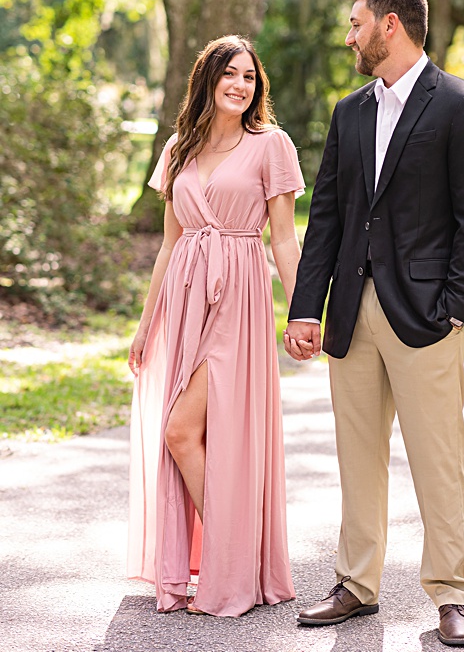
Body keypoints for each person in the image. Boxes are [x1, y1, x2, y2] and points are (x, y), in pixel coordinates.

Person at [283, 0, 464, 646]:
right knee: (357, 456)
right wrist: (304, 307)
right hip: (351, 310)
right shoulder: (348, 112)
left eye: (356, 23)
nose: (348, 35)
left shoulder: (463, 106)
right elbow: (325, 216)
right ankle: (355, 584)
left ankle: (452, 596)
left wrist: (457, 310)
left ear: (389, 26)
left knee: (438, 459)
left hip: (427, 318)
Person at [127, 35, 304, 616]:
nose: (240, 85)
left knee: (184, 430)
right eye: (230, 74)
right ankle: (234, 562)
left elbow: (282, 236)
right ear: (207, 79)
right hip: (182, 297)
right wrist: (146, 321)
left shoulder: (271, 145)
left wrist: (302, 309)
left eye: (250, 77)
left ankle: (236, 566)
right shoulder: (179, 147)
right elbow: (167, 244)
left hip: (238, 296)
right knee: (186, 435)